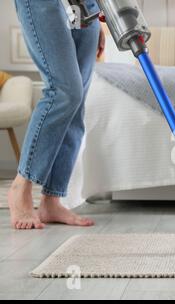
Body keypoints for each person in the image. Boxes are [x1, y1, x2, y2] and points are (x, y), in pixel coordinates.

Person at [8, 0, 105, 229]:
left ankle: (51, 200)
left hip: (87, 6)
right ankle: (21, 185)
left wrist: (99, 18)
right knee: (64, 92)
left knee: (76, 101)